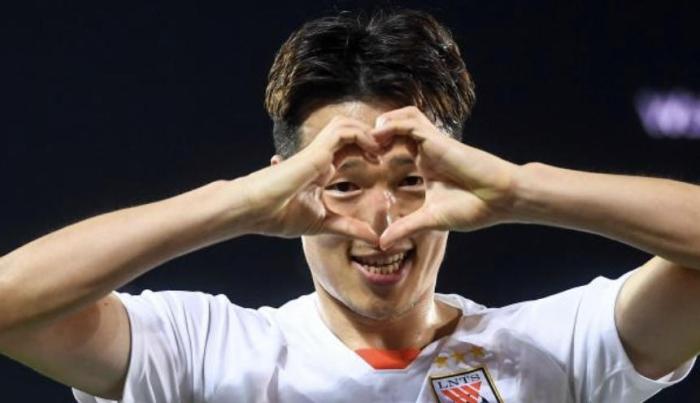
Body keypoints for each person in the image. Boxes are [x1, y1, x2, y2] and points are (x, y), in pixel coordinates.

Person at [0, 8, 697, 403]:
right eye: (344, 184)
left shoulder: (552, 347)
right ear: (288, 186)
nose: (382, 221)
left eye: (410, 179)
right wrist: (236, 204)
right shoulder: (205, 349)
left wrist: (519, 189)